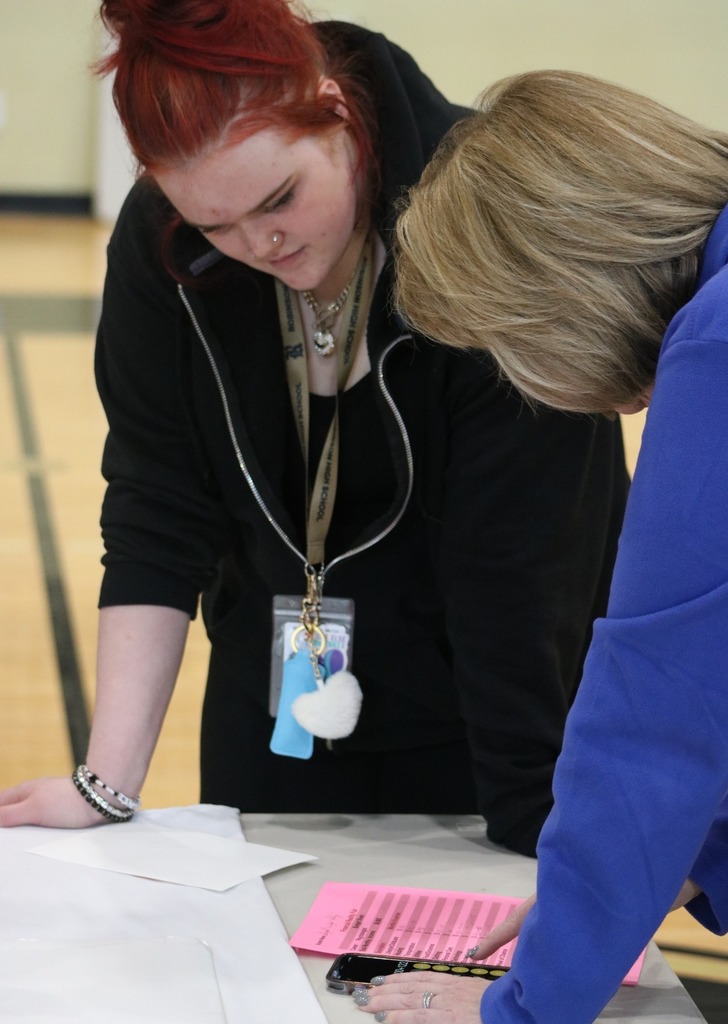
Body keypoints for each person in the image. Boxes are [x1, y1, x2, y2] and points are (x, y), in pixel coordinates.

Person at [0, 6, 628, 856]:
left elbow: (522, 570)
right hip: (278, 707)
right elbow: (157, 503)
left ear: (334, 111)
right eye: (213, 226)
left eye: (279, 200)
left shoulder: (492, 224)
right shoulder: (162, 244)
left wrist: (536, 827)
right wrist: (105, 785)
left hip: (496, 717)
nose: (257, 244)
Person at [355, 70, 728, 1023]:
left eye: (506, 345)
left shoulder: (716, 344)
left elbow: (652, 722)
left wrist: (522, 1006)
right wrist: (674, 868)